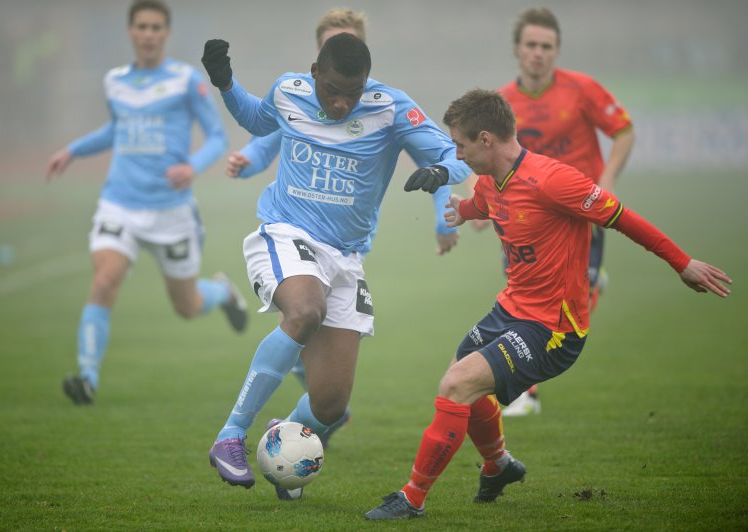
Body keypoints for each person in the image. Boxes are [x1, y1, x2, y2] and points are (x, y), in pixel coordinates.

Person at [364, 88, 730, 520]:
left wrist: (682, 263)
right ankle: (498, 465)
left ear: (485, 140)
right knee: (461, 376)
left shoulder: (555, 180)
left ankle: (411, 499)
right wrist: (460, 209)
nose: (456, 152)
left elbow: (624, 219)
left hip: (555, 327)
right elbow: (482, 203)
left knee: (455, 386)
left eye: (460, 144)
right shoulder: (489, 180)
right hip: (511, 309)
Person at [200, 33, 472, 500]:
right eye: (332, 90)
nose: (343, 102)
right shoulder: (289, 91)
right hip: (287, 233)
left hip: (345, 259)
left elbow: (455, 152)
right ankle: (230, 435)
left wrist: (442, 173)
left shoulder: (390, 107)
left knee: (330, 405)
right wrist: (225, 83)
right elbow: (257, 119)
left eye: (354, 91)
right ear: (314, 72)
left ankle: (284, 438)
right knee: (305, 311)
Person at [45, 0, 248, 406]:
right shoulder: (115, 81)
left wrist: (192, 166)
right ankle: (87, 378)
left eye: (157, 27)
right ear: (131, 32)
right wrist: (74, 150)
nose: (149, 34)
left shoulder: (186, 80)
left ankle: (223, 294)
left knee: (187, 306)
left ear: (166, 33)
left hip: (171, 212)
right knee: (104, 282)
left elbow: (216, 138)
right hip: (119, 202)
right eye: (142, 26)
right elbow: (117, 130)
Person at [477, 7, 637, 416]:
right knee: (524, 297)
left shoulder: (582, 90)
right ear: (517, 49)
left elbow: (624, 130)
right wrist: (477, 206)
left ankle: (526, 390)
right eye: (531, 45)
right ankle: (525, 384)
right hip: (525, 218)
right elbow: (482, 155)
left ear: (557, 50)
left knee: (570, 291)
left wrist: (609, 178)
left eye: (546, 46)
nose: (538, 53)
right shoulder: (502, 103)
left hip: (578, 213)